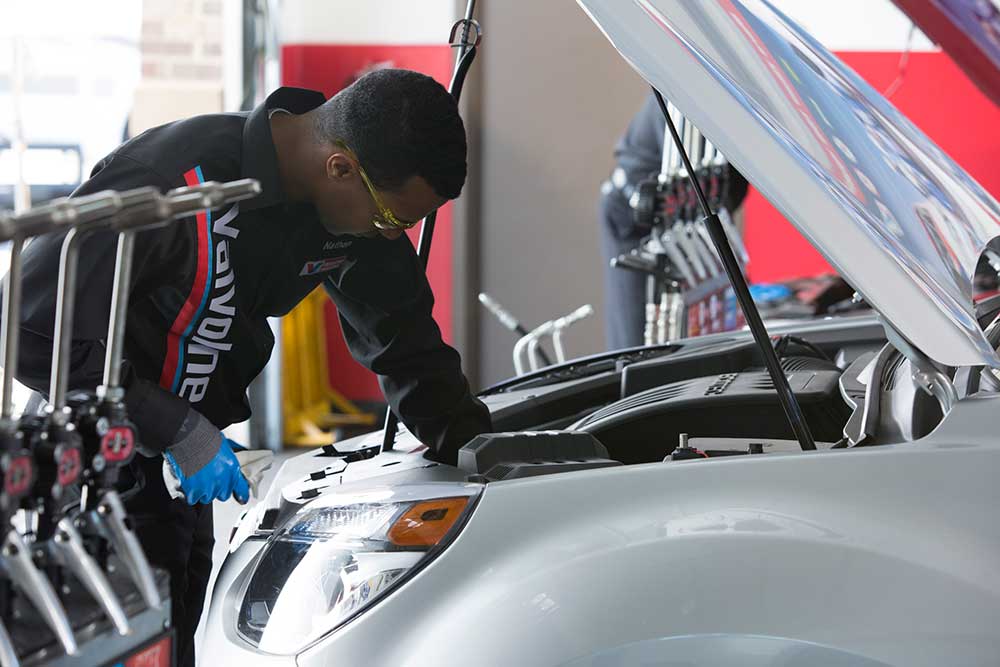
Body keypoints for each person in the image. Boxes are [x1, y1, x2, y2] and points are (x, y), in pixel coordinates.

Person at [10, 68, 492, 667]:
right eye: (392, 220)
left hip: (184, 474)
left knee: (174, 634)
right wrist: (175, 428)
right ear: (340, 166)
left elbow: (404, 338)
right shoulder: (176, 182)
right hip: (95, 472)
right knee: (111, 653)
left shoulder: (349, 207)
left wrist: (481, 447)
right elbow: (31, 337)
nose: (393, 234)